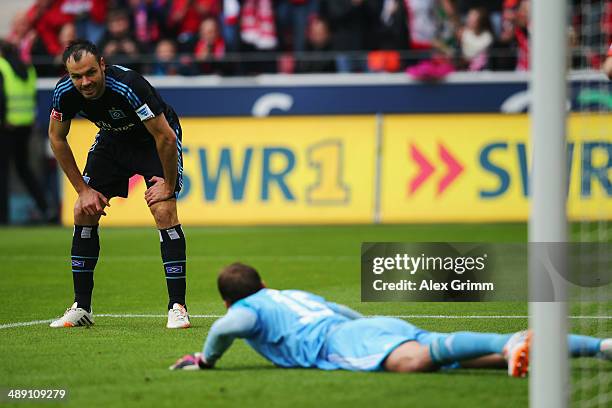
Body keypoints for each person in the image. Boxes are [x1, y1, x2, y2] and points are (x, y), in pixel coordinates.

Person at [170, 263, 612, 376]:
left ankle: (509, 345)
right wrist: (373, 327)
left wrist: (207, 361)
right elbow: (342, 311)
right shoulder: (289, 295)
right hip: (362, 327)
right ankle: (598, 347)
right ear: (263, 282)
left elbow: (229, 328)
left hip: (342, 343)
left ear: (230, 301)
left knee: (415, 360)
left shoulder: (244, 311)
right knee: (469, 357)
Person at [48, 40, 190, 329]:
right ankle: (81, 308)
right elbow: (57, 138)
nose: (85, 82)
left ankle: (177, 307)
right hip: (113, 141)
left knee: (164, 210)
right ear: (68, 74)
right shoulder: (64, 93)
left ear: (102, 64)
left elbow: (166, 138)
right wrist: (83, 190)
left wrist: (168, 185)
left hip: (154, 141)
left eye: (90, 73)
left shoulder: (129, 85)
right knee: (82, 210)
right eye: (77, 76)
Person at [0, 40, 51, 225]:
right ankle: (45, 208)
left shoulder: (2, 67)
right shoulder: (27, 68)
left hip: (5, 126)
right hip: (25, 125)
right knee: (23, 169)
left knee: (3, 172)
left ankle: (3, 218)